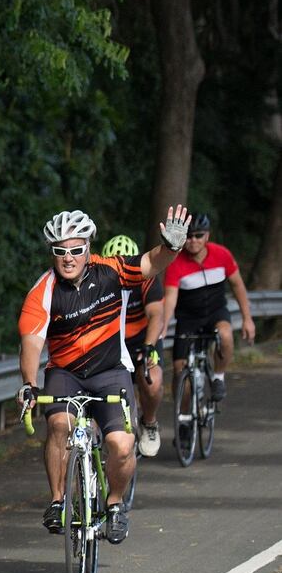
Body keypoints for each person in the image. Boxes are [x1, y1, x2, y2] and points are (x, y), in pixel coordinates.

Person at [17, 206, 190, 545]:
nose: (68, 258)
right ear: (52, 253)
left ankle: (114, 504)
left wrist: (171, 247)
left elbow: (150, 263)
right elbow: (31, 344)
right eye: (60, 251)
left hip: (110, 371)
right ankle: (58, 500)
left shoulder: (110, 271)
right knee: (59, 425)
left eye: (76, 250)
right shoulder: (43, 291)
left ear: (88, 249)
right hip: (65, 372)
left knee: (122, 445)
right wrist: (29, 384)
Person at [161, 213, 255, 407]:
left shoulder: (222, 254)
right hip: (188, 319)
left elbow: (237, 285)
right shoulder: (176, 262)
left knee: (226, 335)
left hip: (216, 312)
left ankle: (218, 377)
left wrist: (247, 318)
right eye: (189, 236)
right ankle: (183, 415)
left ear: (207, 236)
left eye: (198, 235)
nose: (193, 240)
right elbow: (170, 298)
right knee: (179, 370)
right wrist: (162, 327)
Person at [100, 235, 164, 457]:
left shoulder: (146, 279)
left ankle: (149, 422)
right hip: (112, 340)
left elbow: (156, 314)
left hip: (143, 339)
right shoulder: (99, 281)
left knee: (152, 381)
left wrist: (149, 346)